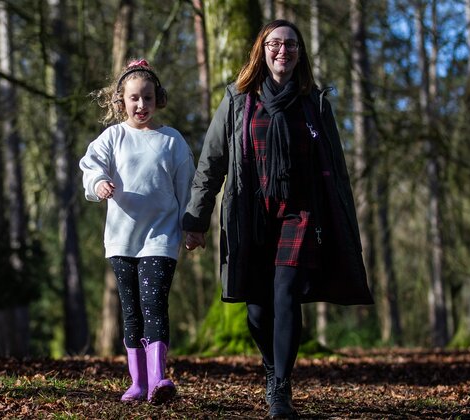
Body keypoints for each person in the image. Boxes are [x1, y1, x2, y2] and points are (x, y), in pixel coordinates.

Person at [183, 20, 374, 418]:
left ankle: (281, 388)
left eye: (290, 44)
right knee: (256, 308)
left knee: (286, 293)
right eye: (275, 44)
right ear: (261, 50)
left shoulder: (314, 104)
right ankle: (270, 368)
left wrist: (341, 223)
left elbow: (335, 170)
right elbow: (212, 161)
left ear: (299, 53)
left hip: (300, 212)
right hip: (251, 213)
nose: (282, 51)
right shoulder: (238, 99)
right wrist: (195, 219)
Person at [79, 59, 194, 405]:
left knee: (154, 304)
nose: (140, 105)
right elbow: (91, 165)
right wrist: (99, 183)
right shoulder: (113, 137)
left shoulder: (172, 141)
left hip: (161, 238)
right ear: (121, 102)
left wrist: (192, 227)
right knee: (131, 310)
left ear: (158, 99)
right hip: (121, 239)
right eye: (133, 98)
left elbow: (187, 189)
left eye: (147, 97)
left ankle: (159, 379)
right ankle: (138, 383)